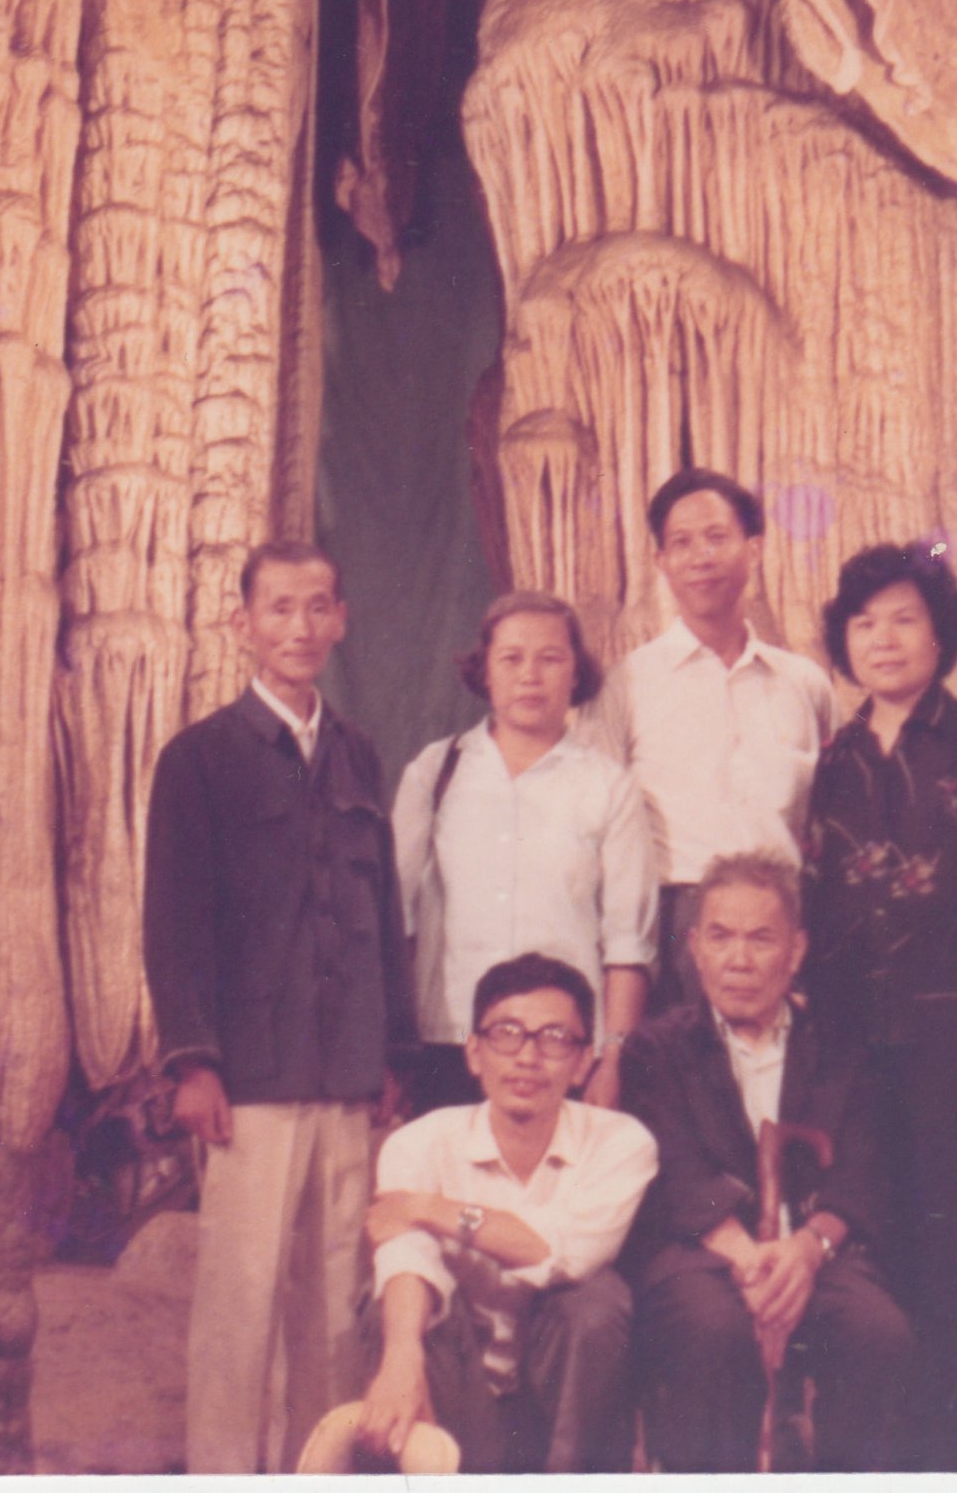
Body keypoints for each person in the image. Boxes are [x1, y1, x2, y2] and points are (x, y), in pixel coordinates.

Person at [143, 542, 413, 1475]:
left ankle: (322, 1472)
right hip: (248, 1074)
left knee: (335, 1302)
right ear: (244, 623)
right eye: (278, 609)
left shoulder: (359, 756)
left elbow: (383, 913)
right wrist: (193, 1061)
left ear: (341, 619)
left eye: (317, 608)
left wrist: (390, 1054)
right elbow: (173, 920)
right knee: (241, 1302)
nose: (299, 628)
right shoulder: (201, 759)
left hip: (344, 1069)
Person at [802, 541, 957, 1471]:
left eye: (904, 618)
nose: (883, 639)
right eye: (864, 624)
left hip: (953, 1037)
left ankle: (951, 1464)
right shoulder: (837, 753)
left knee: (950, 1253)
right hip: (848, 1041)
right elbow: (819, 893)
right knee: (865, 1244)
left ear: (940, 632)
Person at [616, 852, 912, 1471]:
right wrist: (752, 1265)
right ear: (694, 947)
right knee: (712, 1330)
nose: (739, 960)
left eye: (761, 939)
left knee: (877, 1332)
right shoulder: (656, 1048)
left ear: (796, 950)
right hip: (702, 1252)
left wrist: (803, 1254)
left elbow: (862, 1172)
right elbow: (672, 1173)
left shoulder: (841, 1047)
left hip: (809, 1253)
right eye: (720, 937)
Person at [355, 954, 658, 1473]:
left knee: (597, 1302)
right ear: (473, 1053)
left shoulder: (621, 1142)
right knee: (393, 1306)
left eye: (555, 1038)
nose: (527, 1057)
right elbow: (407, 1258)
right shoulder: (418, 1144)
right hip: (452, 1389)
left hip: (563, 1406)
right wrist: (402, 1357)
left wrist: (428, 1207)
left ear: (584, 1061)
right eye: (506, 1034)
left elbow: (561, 1254)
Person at [585, 469, 837, 1017]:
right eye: (681, 543)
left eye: (717, 538)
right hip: (678, 919)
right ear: (661, 563)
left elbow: (829, 818)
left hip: (784, 917)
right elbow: (599, 826)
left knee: (779, 1092)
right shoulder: (626, 684)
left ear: (754, 549)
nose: (700, 556)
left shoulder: (805, 684)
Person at [392, 592, 653, 1114]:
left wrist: (613, 1057)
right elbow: (395, 918)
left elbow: (628, 942)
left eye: (550, 658)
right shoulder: (436, 771)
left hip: (565, 1047)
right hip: (451, 1043)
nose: (529, 675)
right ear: (484, 670)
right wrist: (393, 1053)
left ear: (576, 673)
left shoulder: (608, 786)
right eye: (511, 658)